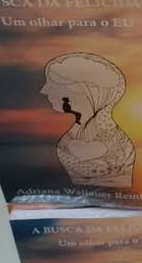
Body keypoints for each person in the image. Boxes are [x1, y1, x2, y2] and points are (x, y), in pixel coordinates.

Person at [40, 52, 135, 187]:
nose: (44, 90)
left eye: (54, 85)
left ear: (84, 92)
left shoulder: (110, 141)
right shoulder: (78, 132)